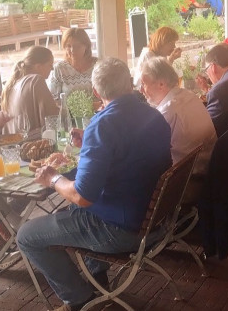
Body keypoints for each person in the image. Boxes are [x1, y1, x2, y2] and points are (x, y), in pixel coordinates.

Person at [17, 58, 172, 311]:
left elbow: (82, 196)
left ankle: (80, 299)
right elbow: (126, 156)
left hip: (122, 231)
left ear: (96, 92)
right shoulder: (154, 115)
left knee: (27, 235)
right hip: (155, 221)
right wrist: (89, 143)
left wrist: (52, 178)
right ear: (130, 84)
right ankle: (97, 278)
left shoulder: (103, 125)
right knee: (70, 212)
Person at [139, 57, 216, 169]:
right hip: (209, 164)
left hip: (190, 174)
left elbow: (147, 152)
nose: (141, 90)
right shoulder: (188, 95)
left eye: (144, 84)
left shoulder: (167, 112)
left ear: (161, 84)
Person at [1, 46, 58, 135]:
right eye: (50, 65)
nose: (52, 69)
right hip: (32, 141)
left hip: (14, 141)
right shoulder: (36, 80)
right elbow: (52, 117)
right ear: (38, 66)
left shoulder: (12, 83)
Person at [48, 27, 97, 98]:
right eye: (68, 46)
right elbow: (54, 97)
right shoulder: (60, 68)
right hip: (67, 106)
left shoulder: (98, 65)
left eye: (77, 46)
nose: (72, 50)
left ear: (86, 46)